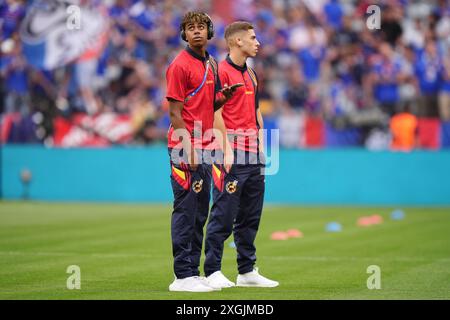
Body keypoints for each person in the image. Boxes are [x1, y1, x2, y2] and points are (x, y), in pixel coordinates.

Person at [204, 21, 279, 289]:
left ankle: (247, 271)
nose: (258, 42)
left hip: (253, 156)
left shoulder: (252, 74)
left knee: (250, 216)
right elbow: (215, 113)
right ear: (237, 41)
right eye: (253, 38)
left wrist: (260, 145)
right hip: (230, 154)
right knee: (223, 214)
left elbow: (256, 110)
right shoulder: (219, 73)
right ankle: (211, 270)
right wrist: (225, 150)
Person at [165, 11, 236, 292]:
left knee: (199, 213)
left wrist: (223, 97)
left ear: (209, 32)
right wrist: (188, 147)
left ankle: (193, 272)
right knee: (185, 210)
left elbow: (207, 106)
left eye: (200, 27)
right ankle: (182, 276)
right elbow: (174, 112)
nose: (196, 32)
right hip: (186, 148)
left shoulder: (212, 64)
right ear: (184, 34)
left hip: (206, 146)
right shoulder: (179, 65)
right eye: (190, 28)